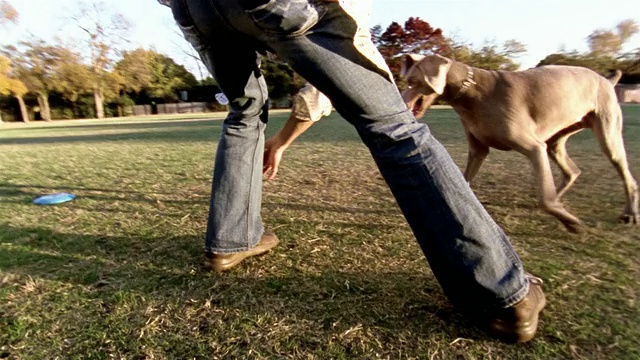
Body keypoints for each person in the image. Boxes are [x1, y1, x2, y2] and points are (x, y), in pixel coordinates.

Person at [162, 0, 546, 343]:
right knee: (395, 128)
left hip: (197, 9)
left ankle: (232, 239)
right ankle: (502, 293)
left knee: (243, 113)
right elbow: (329, 75)